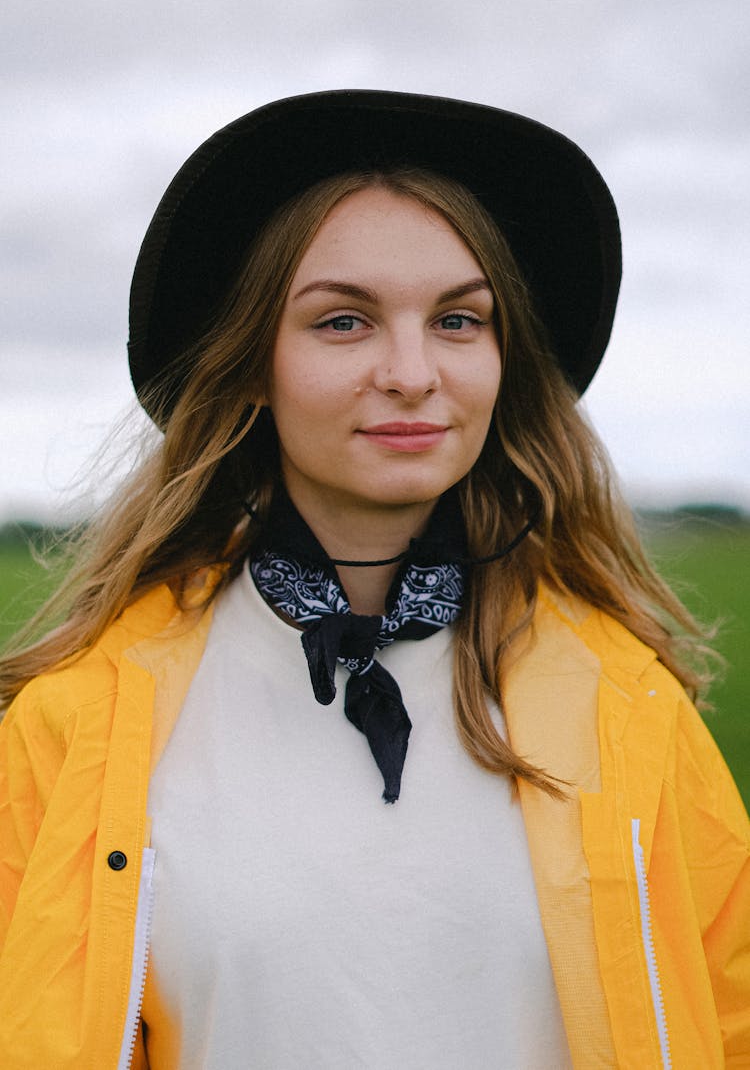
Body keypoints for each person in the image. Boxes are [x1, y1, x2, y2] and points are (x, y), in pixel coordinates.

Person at [0, 90, 747, 1069]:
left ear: (502, 359)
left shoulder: (633, 712)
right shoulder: (72, 731)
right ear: (251, 365)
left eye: (458, 319)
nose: (410, 371)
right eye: (344, 321)